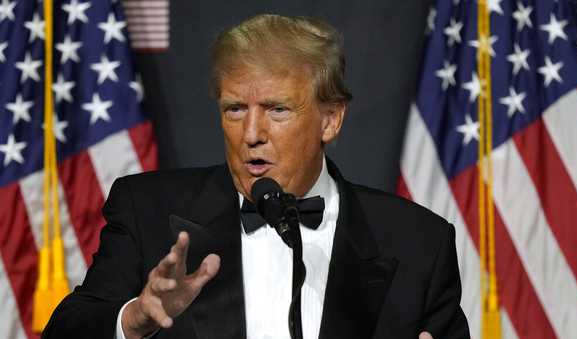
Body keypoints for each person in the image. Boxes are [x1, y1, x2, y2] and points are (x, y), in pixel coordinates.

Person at [42, 14, 469, 339]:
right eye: (235, 109)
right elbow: (68, 329)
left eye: (277, 109)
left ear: (331, 119)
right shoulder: (148, 212)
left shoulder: (417, 243)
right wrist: (132, 319)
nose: (251, 135)